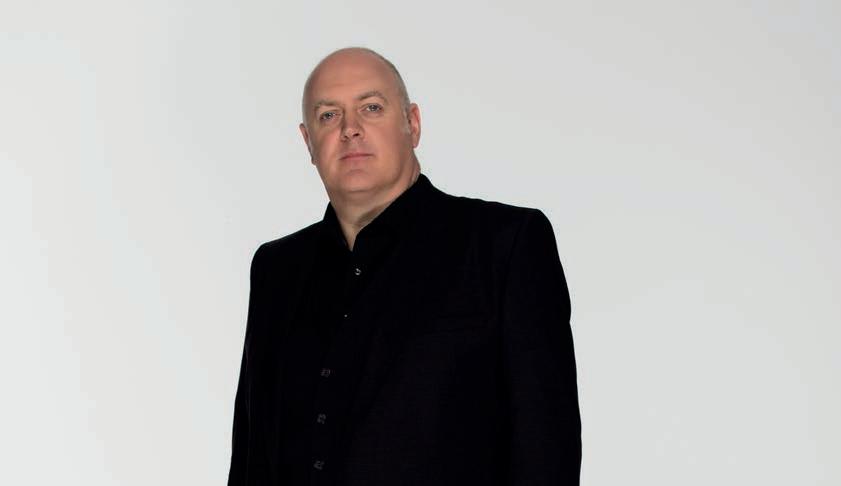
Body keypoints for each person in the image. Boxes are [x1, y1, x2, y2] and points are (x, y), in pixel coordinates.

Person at [226, 46, 581, 486]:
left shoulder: (503, 245)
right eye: (328, 115)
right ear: (308, 143)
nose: (350, 129)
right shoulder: (276, 269)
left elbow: (546, 452)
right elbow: (251, 455)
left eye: (371, 108)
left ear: (412, 124)